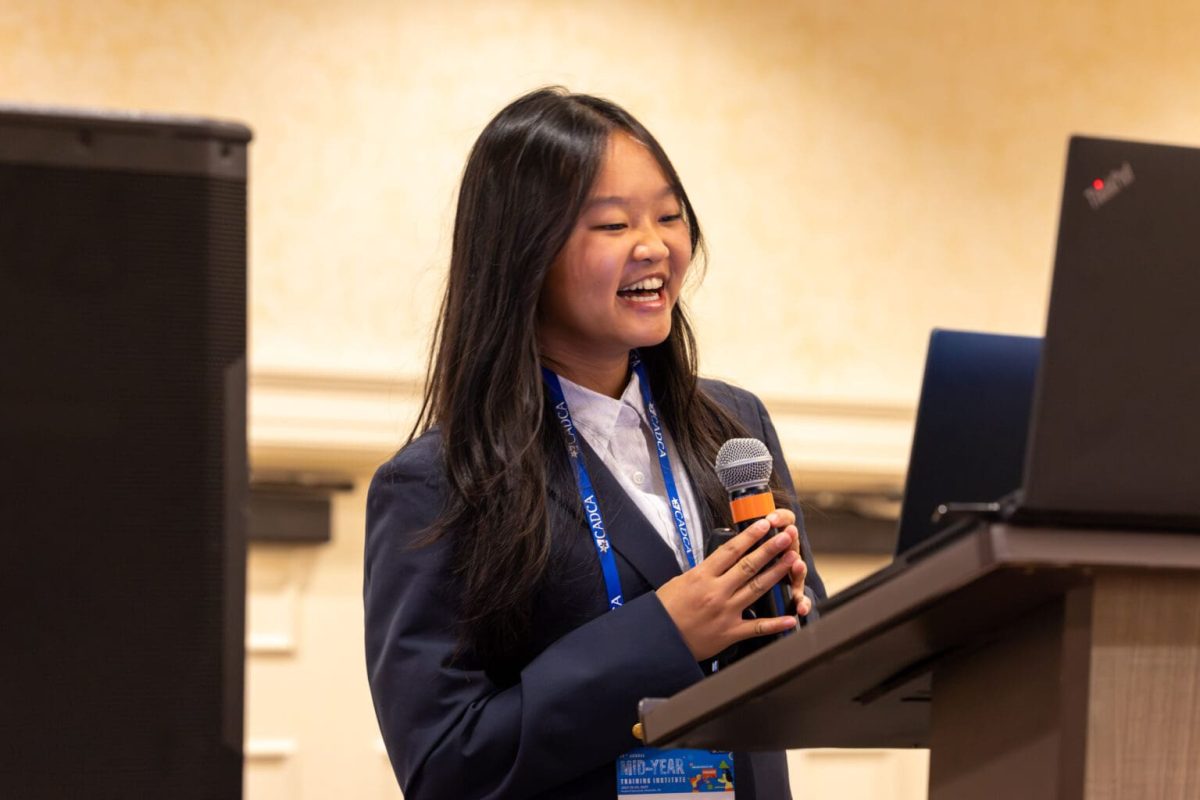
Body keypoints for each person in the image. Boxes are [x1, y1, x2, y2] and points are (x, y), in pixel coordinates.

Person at [364, 87, 826, 800]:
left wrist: (798, 618)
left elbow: (806, 669)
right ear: (525, 254)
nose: (656, 246)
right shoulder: (438, 483)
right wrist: (664, 636)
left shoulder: (734, 428)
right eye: (612, 224)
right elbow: (445, 763)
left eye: (670, 216)